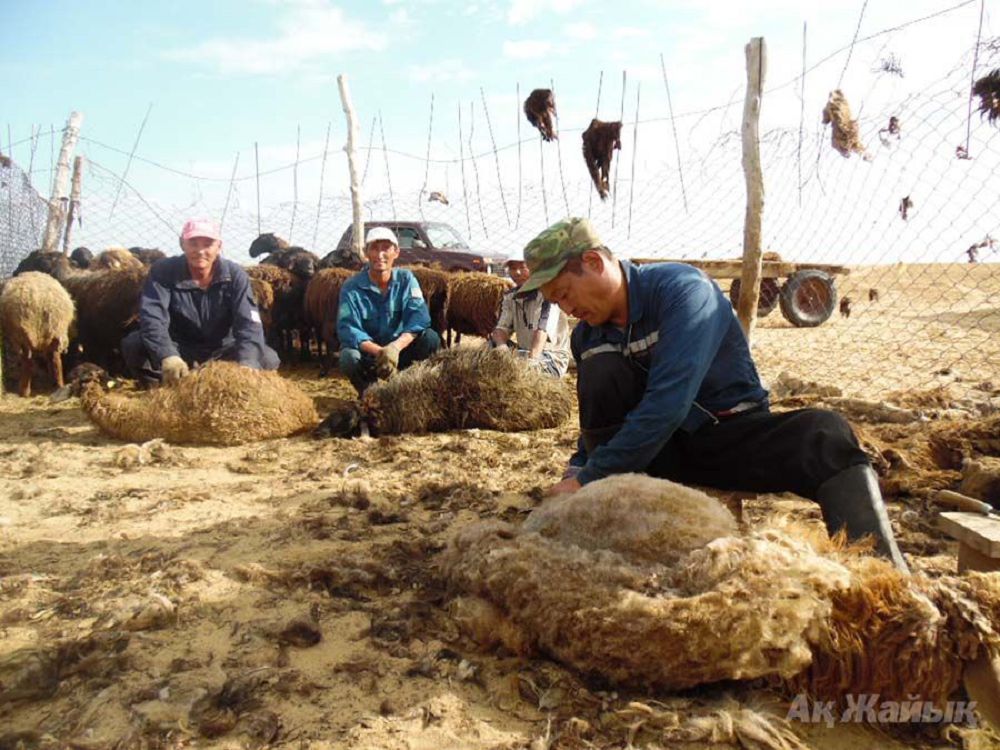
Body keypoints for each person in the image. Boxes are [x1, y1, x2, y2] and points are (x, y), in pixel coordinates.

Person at [518, 217, 908, 572]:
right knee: (602, 366)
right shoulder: (588, 337)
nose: (566, 308)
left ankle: (883, 573)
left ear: (593, 262)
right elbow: (596, 421)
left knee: (824, 434)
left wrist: (591, 476)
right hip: (650, 456)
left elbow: (668, 403)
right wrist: (579, 469)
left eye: (565, 293)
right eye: (557, 302)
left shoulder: (682, 291)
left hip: (726, 439)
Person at [122, 218, 279, 386]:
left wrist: (248, 362)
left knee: (267, 358)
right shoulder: (163, 271)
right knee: (134, 344)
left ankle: (226, 387)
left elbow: (248, 322)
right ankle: (164, 389)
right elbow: (152, 316)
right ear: (182, 244)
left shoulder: (235, 275)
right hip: (179, 347)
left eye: (208, 244)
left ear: (219, 246)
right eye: (193, 244)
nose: (200, 251)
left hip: (223, 350)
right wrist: (167, 354)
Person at [337, 227, 441, 393]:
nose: (380, 255)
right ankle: (370, 392)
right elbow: (348, 329)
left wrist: (395, 348)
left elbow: (419, 317)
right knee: (348, 357)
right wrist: (381, 352)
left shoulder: (406, 280)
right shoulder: (351, 287)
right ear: (365, 252)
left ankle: (410, 387)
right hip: (369, 355)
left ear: (396, 252)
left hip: (400, 351)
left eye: (386, 248)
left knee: (431, 338)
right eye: (374, 248)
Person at [489, 251, 571, 378]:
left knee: (528, 373)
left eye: (523, 267)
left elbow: (542, 331)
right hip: (525, 353)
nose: (517, 272)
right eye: (513, 268)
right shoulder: (511, 297)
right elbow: (500, 329)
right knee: (492, 345)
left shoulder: (547, 294)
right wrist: (502, 347)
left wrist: (531, 363)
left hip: (550, 357)